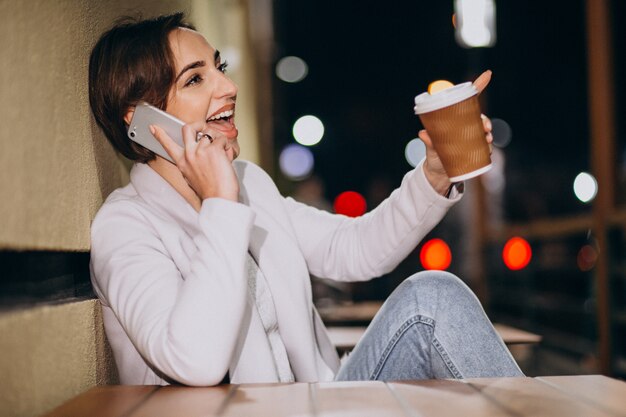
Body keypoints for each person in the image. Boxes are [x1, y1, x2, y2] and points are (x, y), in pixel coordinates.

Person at [88, 13, 523, 386]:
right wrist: (220, 203)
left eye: (219, 68)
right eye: (196, 78)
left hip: (317, 400)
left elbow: (353, 249)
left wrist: (433, 176)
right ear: (141, 120)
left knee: (433, 296)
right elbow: (193, 360)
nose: (229, 86)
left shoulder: (250, 183)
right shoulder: (125, 226)